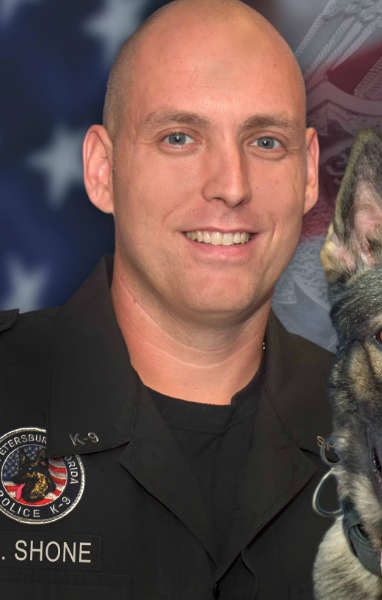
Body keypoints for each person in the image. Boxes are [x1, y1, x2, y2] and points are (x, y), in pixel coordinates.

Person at [0, 1, 333, 597]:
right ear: (103, 170)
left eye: (265, 141)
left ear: (308, 173)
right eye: (179, 137)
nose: (231, 185)